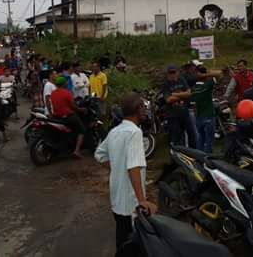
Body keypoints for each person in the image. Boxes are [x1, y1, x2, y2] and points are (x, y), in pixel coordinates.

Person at [95, 92, 157, 251]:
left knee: (122, 240)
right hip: (130, 203)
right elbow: (133, 167)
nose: (145, 110)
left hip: (116, 199)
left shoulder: (115, 131)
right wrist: (142, 200)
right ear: (137, 110)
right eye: (143, 107)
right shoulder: (135, 133)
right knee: (131, 245)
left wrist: (116, 166)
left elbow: (99, 154)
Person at [50, 76, 85, 158]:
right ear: (63, 84)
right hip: (68, 116)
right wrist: (81, 109)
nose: (67, 83)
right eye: (66, 82)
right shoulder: (67, 92)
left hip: (56, 116)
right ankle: (77, 151)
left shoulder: (53, 93)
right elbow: (73, 106)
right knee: (82, 129)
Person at [160, 64, 196, 146]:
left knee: (192, 134)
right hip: (173, 115)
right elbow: (168, 99)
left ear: (177, 72)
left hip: (184, 112)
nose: (172, 74)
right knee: (177, 137)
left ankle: (193, 154)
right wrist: (183, 95)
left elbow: (189, 93)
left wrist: (174, 94)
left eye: (174, 72)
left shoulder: (181, 79)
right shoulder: (165, 84)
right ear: (167, 74)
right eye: (170, 73)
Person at [189, 62, 217, 153]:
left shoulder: (193, 88)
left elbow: (194, 106)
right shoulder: (208, 85)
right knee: (209, 141)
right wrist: (206, 74)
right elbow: (218, 74)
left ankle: (199, 159)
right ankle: (207, 160)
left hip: (199, 118)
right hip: (209, 116)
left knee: (200, 139)